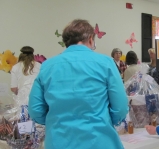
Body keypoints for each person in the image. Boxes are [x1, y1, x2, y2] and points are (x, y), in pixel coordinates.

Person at [28, 19, 128, 149]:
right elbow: (120, 107)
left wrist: (55, 121)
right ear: (91, 39)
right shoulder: (106, 63)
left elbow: (35, 110)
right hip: (99, 139)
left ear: (66, 42)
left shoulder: (47, 66)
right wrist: (106, 121)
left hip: (59, 141)